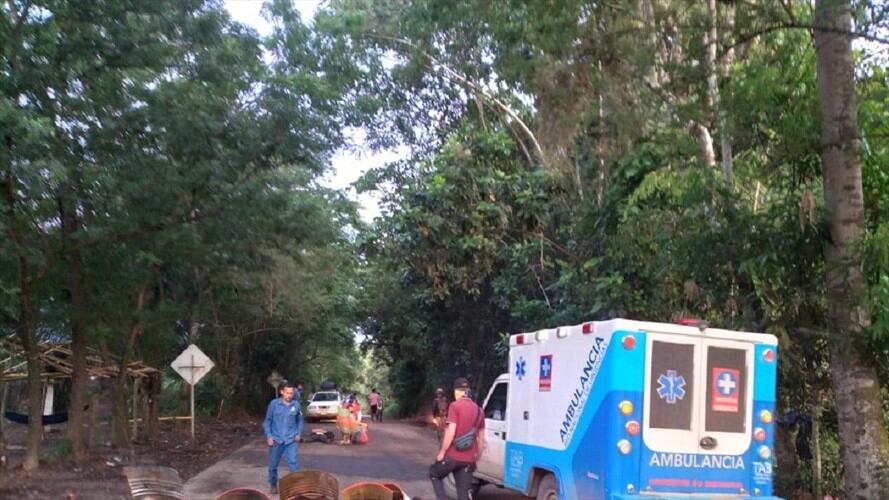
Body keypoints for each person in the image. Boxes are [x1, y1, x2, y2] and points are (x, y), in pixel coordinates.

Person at [429, 377, 485, 500]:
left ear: (457, 391)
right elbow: (481, 440)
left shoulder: (455, 406)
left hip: (452, 457)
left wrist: (442, 452)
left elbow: (450, 432)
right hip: (469, 460)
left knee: (434, 474)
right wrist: (476, 459)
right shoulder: (480, 411)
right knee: (463, 494)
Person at [263, 383, 303, 494]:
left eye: (291, 393)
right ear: (282, 392)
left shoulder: (296, 405)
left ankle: (297, 486)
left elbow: (300, 421)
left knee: (293, 463)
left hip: (291, 440)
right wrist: (269, 436)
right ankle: (273, 484)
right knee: (273, 464)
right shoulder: (274, 404)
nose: (289, 395)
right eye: (287, 393)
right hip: (276, 440)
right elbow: (267, 422)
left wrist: (298, 433)